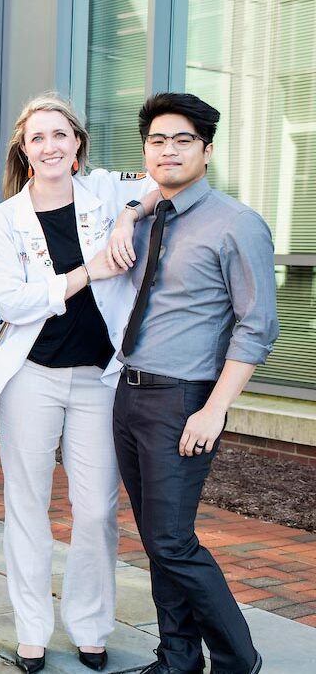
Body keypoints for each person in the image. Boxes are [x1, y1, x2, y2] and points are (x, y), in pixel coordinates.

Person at [0, 93, 156, 673]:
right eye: (37, 138)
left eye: (59, 135)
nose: (49, 146)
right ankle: (31, 631)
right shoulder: (3, 221)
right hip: (31, 376)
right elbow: (15, 302)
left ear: (77, 143)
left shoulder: (104, 191)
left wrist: (127, 216)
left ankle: (91, 626)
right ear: (23, 151)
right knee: (28, 504)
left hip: (99, 379)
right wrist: (88, 271)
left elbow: (158, 181)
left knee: (97, 509)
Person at [116, 93, 275, 674]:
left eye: (183, 140)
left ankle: (237, 660)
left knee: (173, 541)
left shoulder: (236, 224)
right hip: (129, 393)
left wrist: (214, 410)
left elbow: (257, 326)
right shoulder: (150, 213)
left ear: (206, 151)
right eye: (157, 140)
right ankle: (178, 656)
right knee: (157, 539)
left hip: (183, 399)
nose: (168, 150)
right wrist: (127, 211)